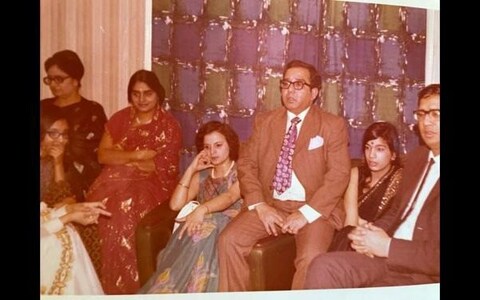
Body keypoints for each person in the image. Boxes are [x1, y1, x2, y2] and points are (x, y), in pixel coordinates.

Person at [218, 59, 351, 291]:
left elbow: (339, 175)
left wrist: (305, 214)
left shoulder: (332, 125)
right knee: (229, 241)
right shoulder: (265, 122)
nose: (290, 90)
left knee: (311, 258)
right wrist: (260, 205)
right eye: (286, 84)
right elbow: (246, 164)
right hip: (272, 204)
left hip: (314, 210)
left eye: (299, 84)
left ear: (315, 92)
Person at [304, 83, 440, 288]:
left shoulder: (402, 168)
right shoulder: (417, 158)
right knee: (323, 266)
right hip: (388, 258)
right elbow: (396, 211)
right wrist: (369, 234)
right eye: (422, 113)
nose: (427, 122)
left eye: (436, 114)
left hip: (422, 274)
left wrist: (388, 247)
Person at [85, 69, 182, 294]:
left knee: (122, 212)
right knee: (100, 210)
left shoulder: (169, 126)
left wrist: (122, 157)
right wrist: (137, 156)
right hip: (114, 183)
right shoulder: (120, 118)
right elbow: (103, 156)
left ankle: (130, 288)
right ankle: (98, 285)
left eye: (147, 93)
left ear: (158, 94)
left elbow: (163, 168)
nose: (142, 99)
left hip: (154, 186)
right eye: (136, 94)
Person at [139, 121, 243, 294]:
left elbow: (230, 196)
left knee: (210, 222)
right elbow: (175, 204)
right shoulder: (201, 176)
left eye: (218, 145)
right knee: (203, 226)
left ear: (230, 145)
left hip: (229, 230)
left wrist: (201, 210)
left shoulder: (241, 172)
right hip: (200, 232)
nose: (212, 152)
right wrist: (192, 168)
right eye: (207, 147)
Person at [40, 111, 111, 295]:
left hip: (49, 217)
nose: (60, 140)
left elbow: (64, 197)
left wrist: (57, 163)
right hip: (45, 225)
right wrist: (69, 212)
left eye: (64, 134)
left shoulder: (58, 158)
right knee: (66, 235)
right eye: (53, 133)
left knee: (89, 230)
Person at [41, 49, 107, 201]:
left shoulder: (92, 110)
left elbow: (96, 153)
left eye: (59, 79)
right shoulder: (43, 107)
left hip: (79, 175)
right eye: (50, 79)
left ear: (76, 80)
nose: (53, 84)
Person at [328, 121, 403, 252]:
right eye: (368, 148)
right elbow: (350, 222)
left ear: (393, 154)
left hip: (381, 243)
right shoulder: (356, 174)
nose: (371, 155)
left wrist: (364, 225)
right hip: (352, 236)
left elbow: (395, 223)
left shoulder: (401, 178)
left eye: (380, 149)